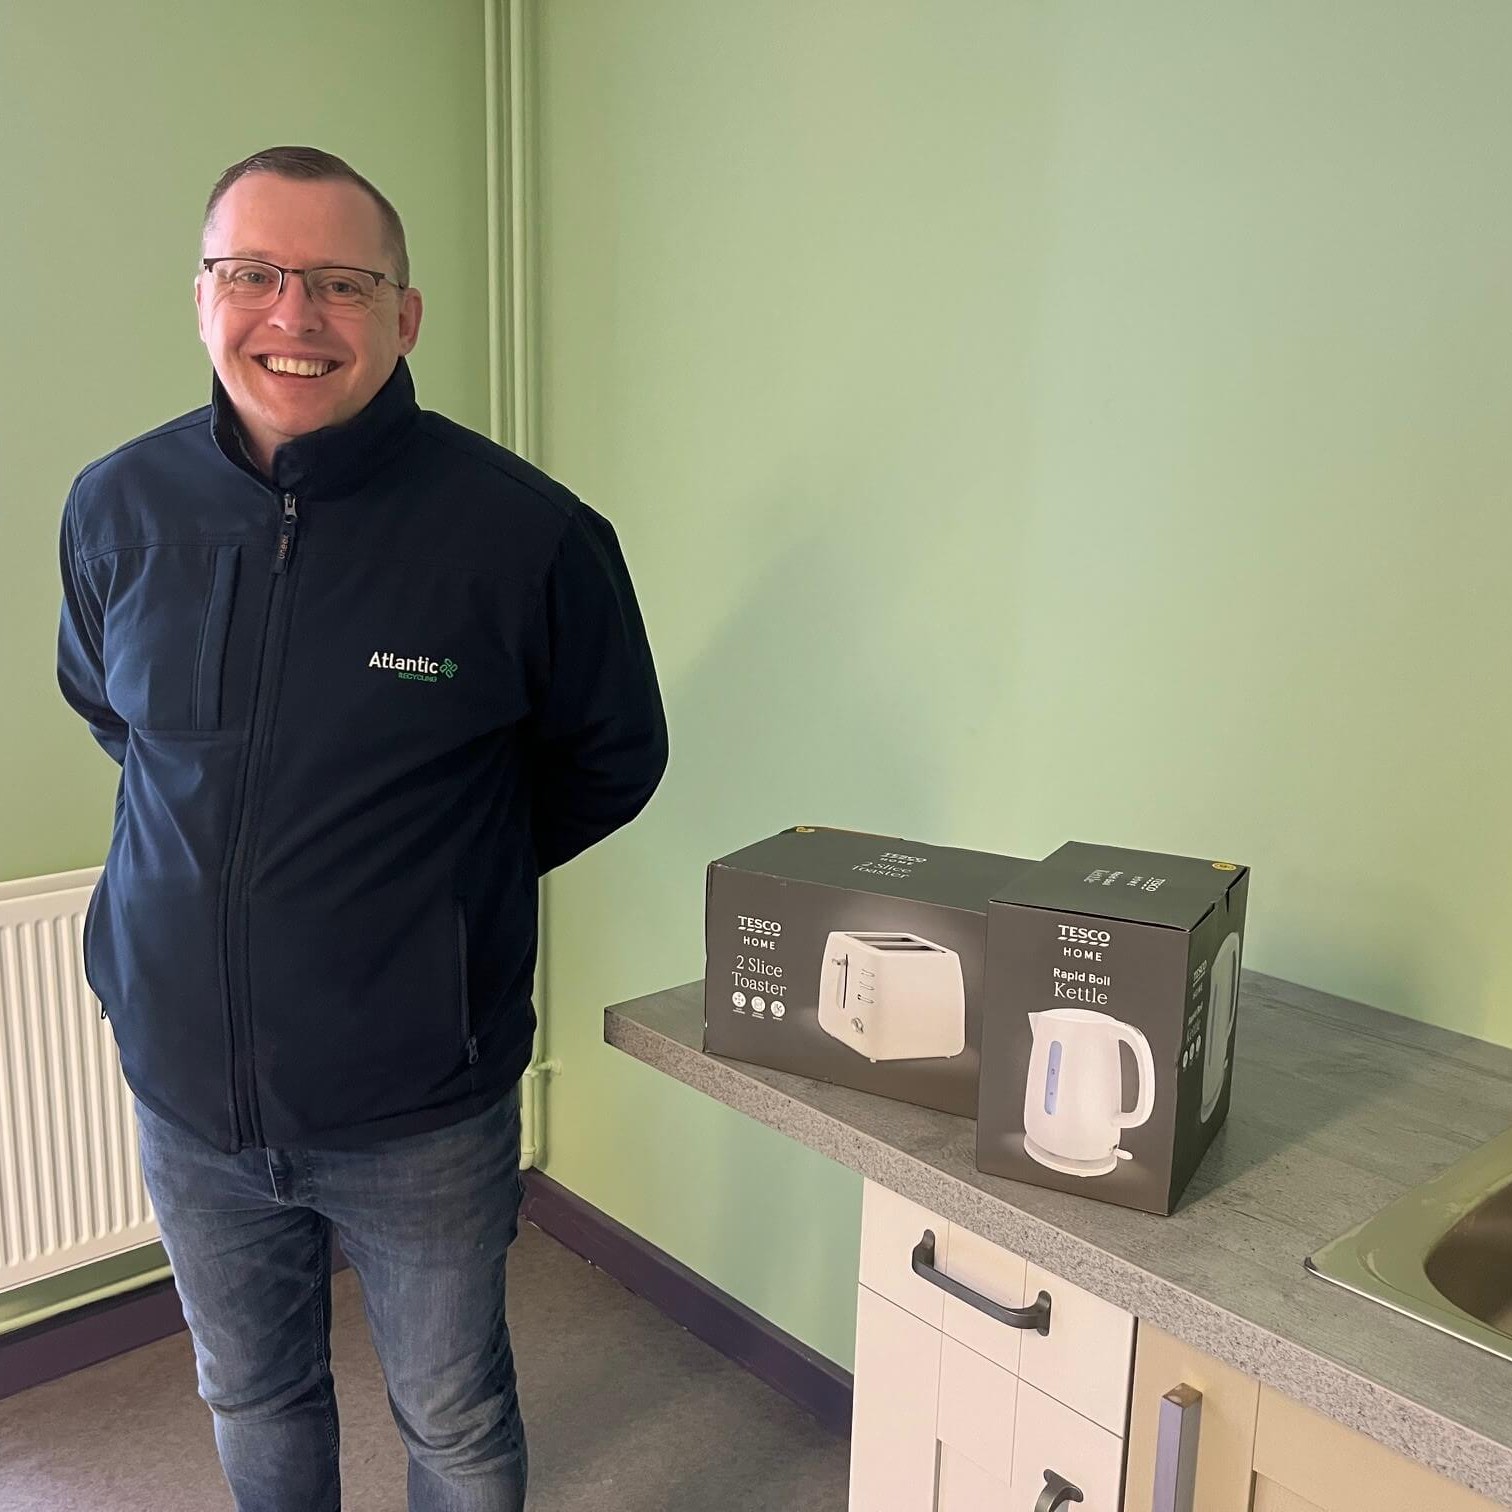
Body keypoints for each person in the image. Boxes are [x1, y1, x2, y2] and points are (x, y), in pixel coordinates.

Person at [55, 144, 668, 1512]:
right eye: (256, 274)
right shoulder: (115, 511)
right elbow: (116, 716)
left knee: (451, 1414)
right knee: (250, 1392)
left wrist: (435, 893)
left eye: (340, 282)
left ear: (404, 315)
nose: (295, 314)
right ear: (203, 294)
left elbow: (611, 759)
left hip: (417, 1108)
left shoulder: (525, 537)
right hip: (185, 1087)